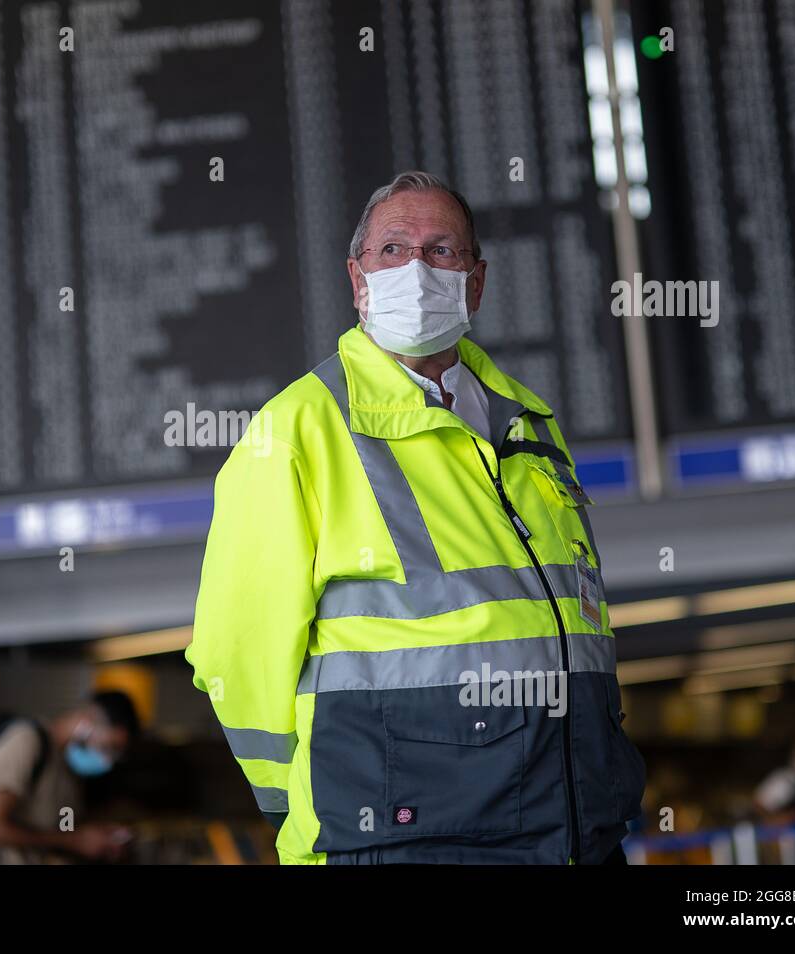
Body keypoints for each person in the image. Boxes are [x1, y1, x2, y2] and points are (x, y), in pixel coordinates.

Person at [187, 171, 645, 865]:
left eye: (441, 252)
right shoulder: (295, 431)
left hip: (576, 830)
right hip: (410, 838)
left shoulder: (528, 423)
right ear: (358, 280)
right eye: (393, 250)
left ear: (477, 281)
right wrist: (300, 801)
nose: (417, 268)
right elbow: (235, 649)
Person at [0, 691, 139, 864]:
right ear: (86, 722)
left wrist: (97, 837)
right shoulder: (27, 742)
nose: (108, 761)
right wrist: (76, 841)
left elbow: (64, 830)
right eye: (108, 747)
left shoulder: (71, 771)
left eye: (116, 754)